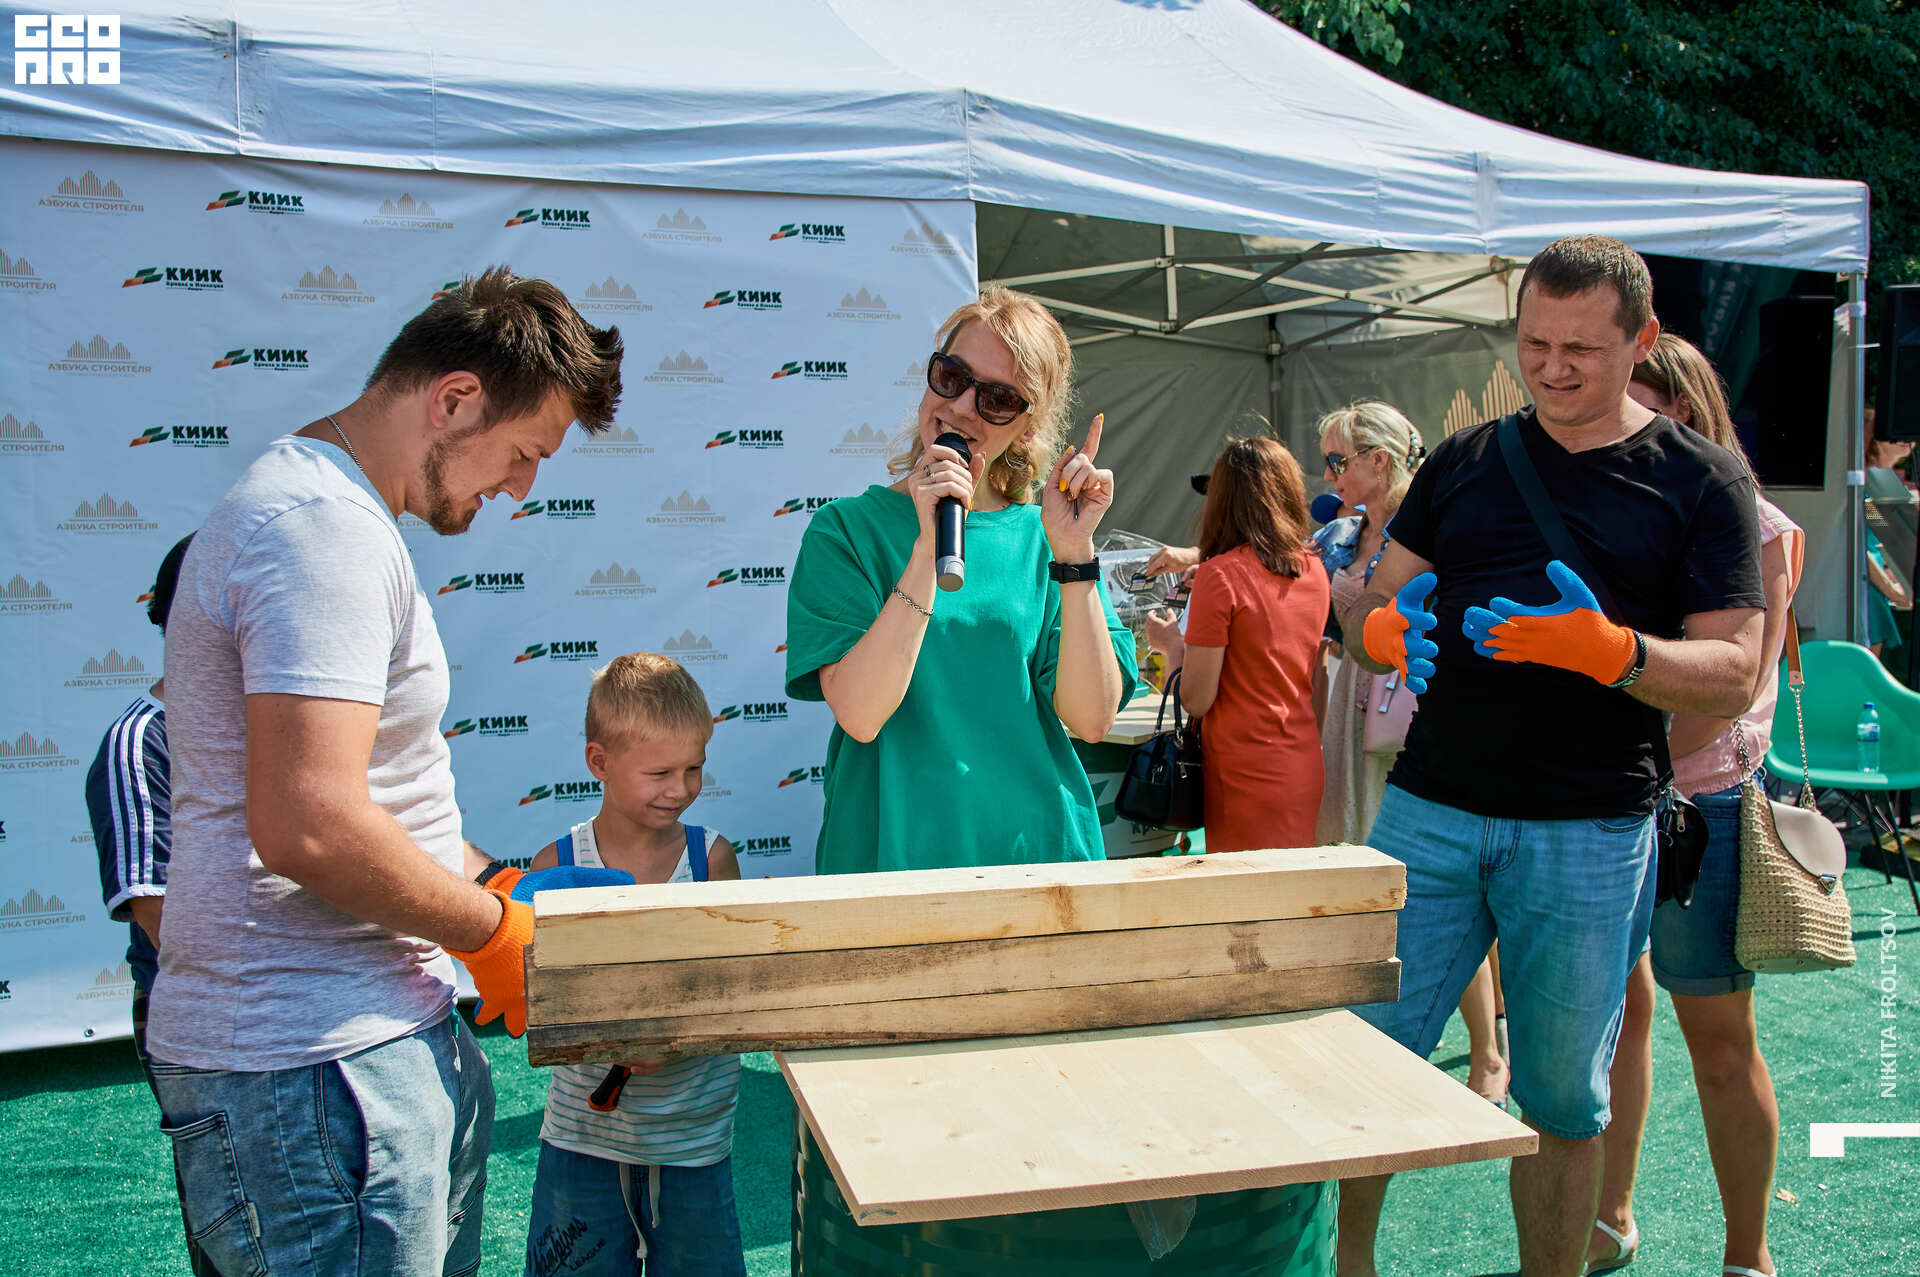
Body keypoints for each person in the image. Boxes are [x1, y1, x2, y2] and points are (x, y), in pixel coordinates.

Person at [145, 267, 625, 1277]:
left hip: (348, 1055)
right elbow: (309, 822)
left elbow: (370, 793)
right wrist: (493, 929)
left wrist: (494, 882)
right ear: (454, 399)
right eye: (524, 452)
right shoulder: (319, 527)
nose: (521, 487)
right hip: (314, 1066)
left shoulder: (331, 514)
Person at [1336, 235, 1766, 1277]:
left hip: (1591, 829)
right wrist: (1378, 630)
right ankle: (1345, 1267)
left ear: (1642, 340)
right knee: (1358, 1067)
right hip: (1431, 811)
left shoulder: (1703, 479)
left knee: (1565, 1100)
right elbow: (1365, 603)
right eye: (1535, 343)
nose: (1553, 367)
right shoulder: (1465, 460)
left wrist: (1617, 653)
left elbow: (1735, 668)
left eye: (1582, 347)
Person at [784, 284, 1136, 874]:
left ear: (1028, 426)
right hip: (891, 866)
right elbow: (861, 714)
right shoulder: (845, 530)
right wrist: (927, 549)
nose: (964, 407)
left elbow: (1091, 717)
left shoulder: (1045, 540)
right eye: (952, 377)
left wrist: (1074, 552)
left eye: (998, 398)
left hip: (1038, 863)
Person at [1583, 333, 1802, 1277]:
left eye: (1638, 404)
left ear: (1683, 408)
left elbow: (1731, 689)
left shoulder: (1752, 521)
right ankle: (1610, 1217)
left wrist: (1612, 757)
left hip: (1695, 812)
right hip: (1611, 803)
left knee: (1717, 1036)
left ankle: (1748, 1254)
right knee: (1611, 1021)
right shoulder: (1624, 506)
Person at [522, 653, 745, 1277]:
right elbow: (541, 999)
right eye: (660, 772)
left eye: (694, 768)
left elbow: (735, 990)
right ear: (599, 762)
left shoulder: (711, 859)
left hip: (693, 1138)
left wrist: (676, 1038)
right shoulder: (555, 864)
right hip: (580, 1137)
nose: (681, 789)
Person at [83, 533, 211, 1276]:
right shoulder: (141, 743)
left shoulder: (281, 733)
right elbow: (165, 921)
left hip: (306, 1019)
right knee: (239, 1226)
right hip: (204, 1025)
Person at [1142, 435, 1328, 852]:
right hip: (1301, 761)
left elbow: (1196, 700)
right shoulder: (1314, 569)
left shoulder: (1220, 576)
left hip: (1244, 775)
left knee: (1247, 892)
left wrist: (1172, 646)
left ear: (1221, 500)